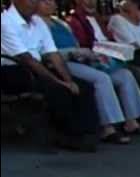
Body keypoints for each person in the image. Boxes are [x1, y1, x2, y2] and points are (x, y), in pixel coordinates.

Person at [37, 0, 140, 145]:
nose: (49, 4)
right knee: (101, 78)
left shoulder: (60, 23)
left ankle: (132, 121)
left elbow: (77, 44)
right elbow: (46, 53)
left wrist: (91, 55)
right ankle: (108, 128)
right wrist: (74, 52)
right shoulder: (37, 24)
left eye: (51, 1)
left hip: (81, 57)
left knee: (124, 75)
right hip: (63, 62)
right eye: (44, 1)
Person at [1, 0, 100, 151]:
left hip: (37, 67)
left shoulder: (38, 22)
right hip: (13, 70)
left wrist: (69, 80)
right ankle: (66, 134)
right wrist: (60, 83)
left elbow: (53, 53)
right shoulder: (5, 22)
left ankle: (87, 133)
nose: (33, 4)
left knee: (83, 86)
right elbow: (27, 59)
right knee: (57, 89)